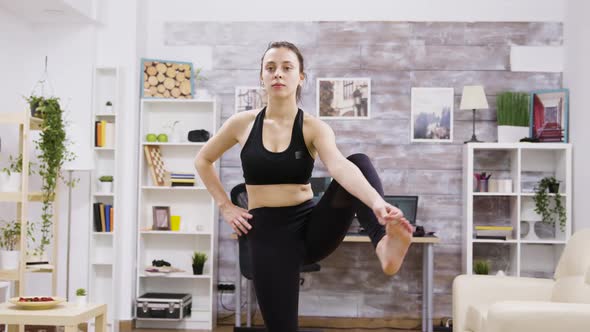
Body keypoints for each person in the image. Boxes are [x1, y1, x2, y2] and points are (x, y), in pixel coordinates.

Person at [195, 41, 413, 332]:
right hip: (267, 235)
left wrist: (376, 202)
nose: (278, 74)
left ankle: (384, 245)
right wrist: (225, 205)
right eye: (270, 68)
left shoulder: (313, 126)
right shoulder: (242, 124)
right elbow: (202, 160)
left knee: (358, 161)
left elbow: (339, 166)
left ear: (300, 77)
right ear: (261, 75)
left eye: (287, 68)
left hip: (310, 227)